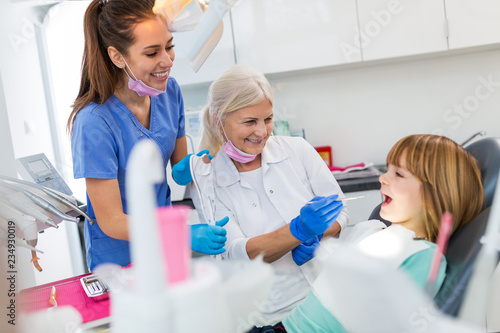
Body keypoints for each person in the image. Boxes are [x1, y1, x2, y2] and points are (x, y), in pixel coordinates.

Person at [178, 65, 350, 325]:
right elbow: (236, 251)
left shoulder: (297, 150)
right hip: (272, 316)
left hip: (328, 298)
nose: (262, 132)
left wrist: (319, 233)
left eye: (267, 119)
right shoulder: (208, 179)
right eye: (250, 122)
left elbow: (341, 211)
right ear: (218, 120)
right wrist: (298, 231)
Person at [68, 0, 226, 272]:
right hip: (121, 260)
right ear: (117, 57)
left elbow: (178, 169)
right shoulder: (93, 123)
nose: (167, 61)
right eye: (152, 53)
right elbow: (112, 221)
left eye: (169, 46)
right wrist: (182, 233)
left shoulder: (169, 92)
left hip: (166, 248)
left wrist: (192, 166)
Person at [280, 134, 485, 332]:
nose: (382, 178)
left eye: (398, 174)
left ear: (434, 196)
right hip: (284, 326)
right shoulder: (375, 230)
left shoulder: (424, 255)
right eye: (388, 169)